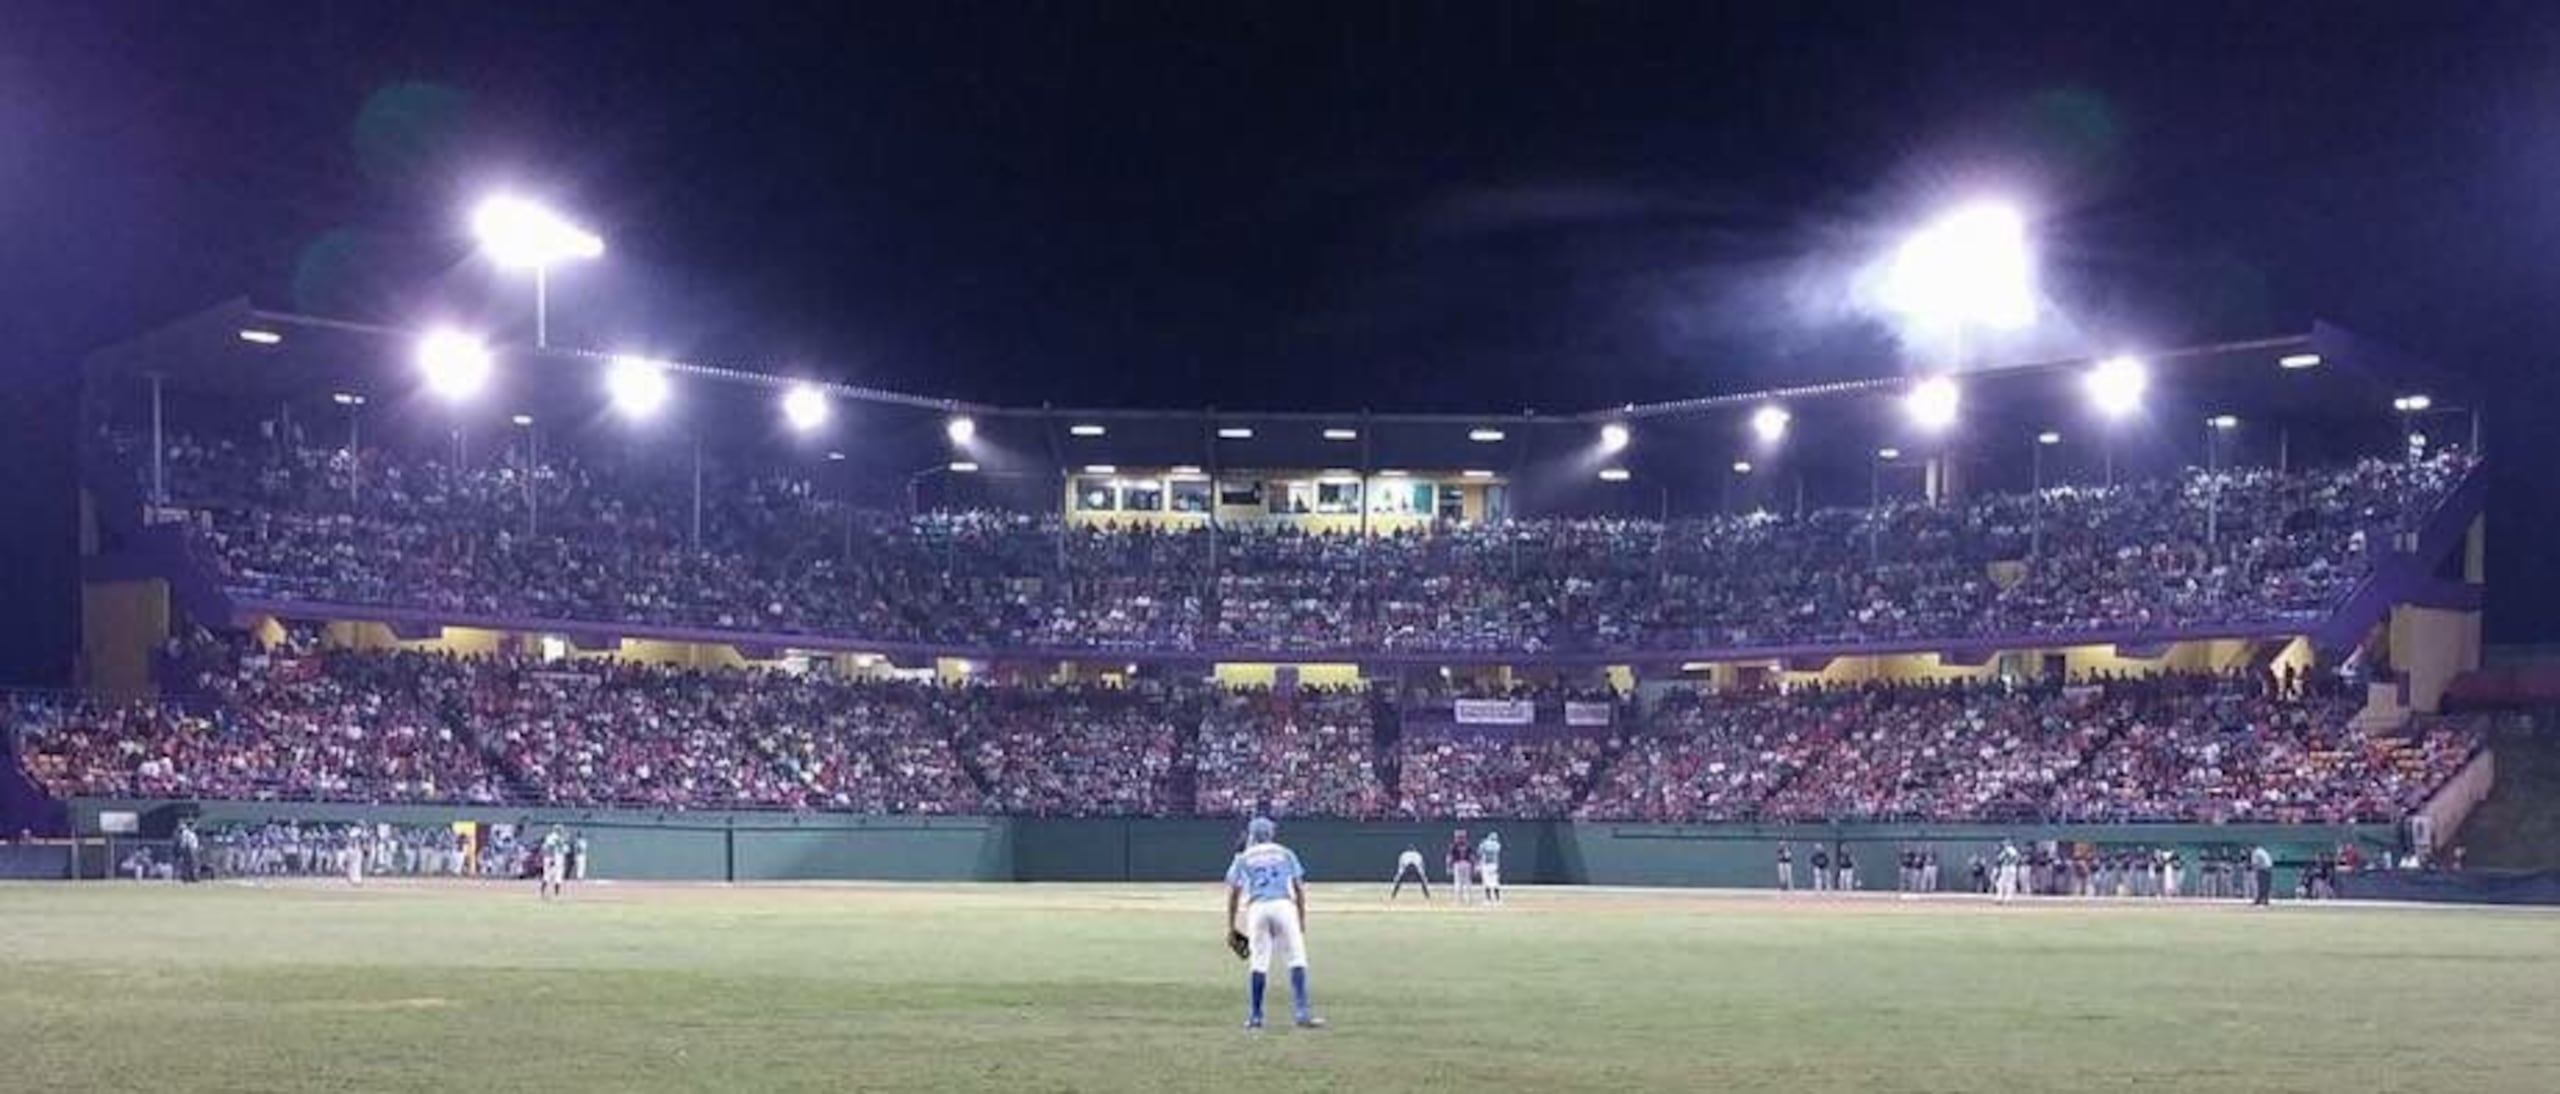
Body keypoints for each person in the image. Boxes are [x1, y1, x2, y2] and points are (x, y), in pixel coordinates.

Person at [1225, 817, 1323, 1031]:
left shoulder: (1244, 857)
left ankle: (1255, 1016)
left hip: (1257, 908)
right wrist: (1302, 918)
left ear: (1252, 835)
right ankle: (1302, 1013)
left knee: (1259, 962)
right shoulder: (1285, 852)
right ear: (1271, 833)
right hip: (1283, 906)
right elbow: (1298, 888)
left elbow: (1233, 891)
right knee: (1296, 958)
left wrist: (1231, 925)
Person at [539, 825, 570, 900]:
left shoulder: (557, 837)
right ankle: (547, 894)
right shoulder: (552, 837)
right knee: (549, 875)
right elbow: (551, 848)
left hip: (555, 858)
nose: (562, 831)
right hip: (553, 858)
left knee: (555, 876)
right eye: (560, 830)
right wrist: (552, 859)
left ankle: (551, 894)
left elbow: (565, 849)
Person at [1447, 828, 1476, 905]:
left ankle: (1458, 901)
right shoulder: (1468, 845)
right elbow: (1472, 857)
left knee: (1458, 883)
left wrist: (1449, 866)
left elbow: (1450, 857)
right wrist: (1473, 866)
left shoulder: (1453, 845)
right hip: (1467, 864)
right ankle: (1469, 900)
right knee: (1467, 883)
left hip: (1458, 864)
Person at [1476, 831, 1504, 905]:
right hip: (1494, 865)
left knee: (1487, 883)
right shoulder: (1497, 844)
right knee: (1495, 882)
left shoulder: (1485, 844)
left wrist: (1483, 843)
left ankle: (1488, 900)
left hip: (1486, 865)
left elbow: (1479, 852)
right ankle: (1498, 900)